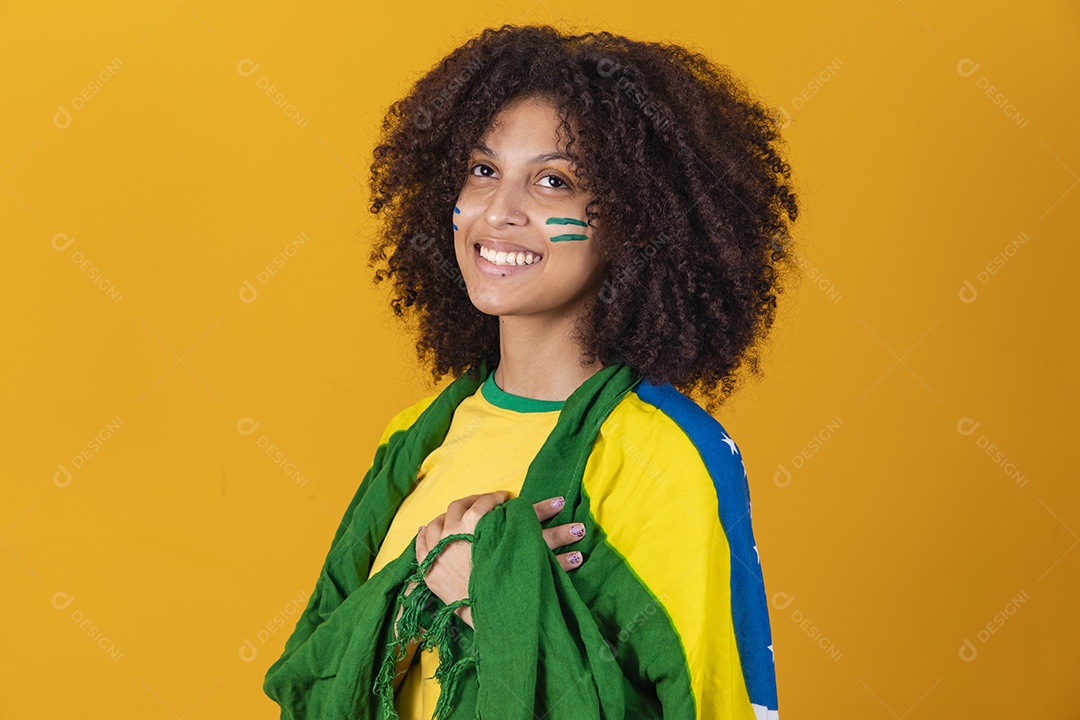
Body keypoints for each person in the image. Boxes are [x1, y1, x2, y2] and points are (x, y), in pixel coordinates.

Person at [264, 23, 799, 720]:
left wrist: (495, 600)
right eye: (483, 171)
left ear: (635, 222)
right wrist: (423, 587)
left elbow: (707, 704)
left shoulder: (664, 456)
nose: (499, 212)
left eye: (553, 181)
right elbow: (321, 678)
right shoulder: (418, 437)